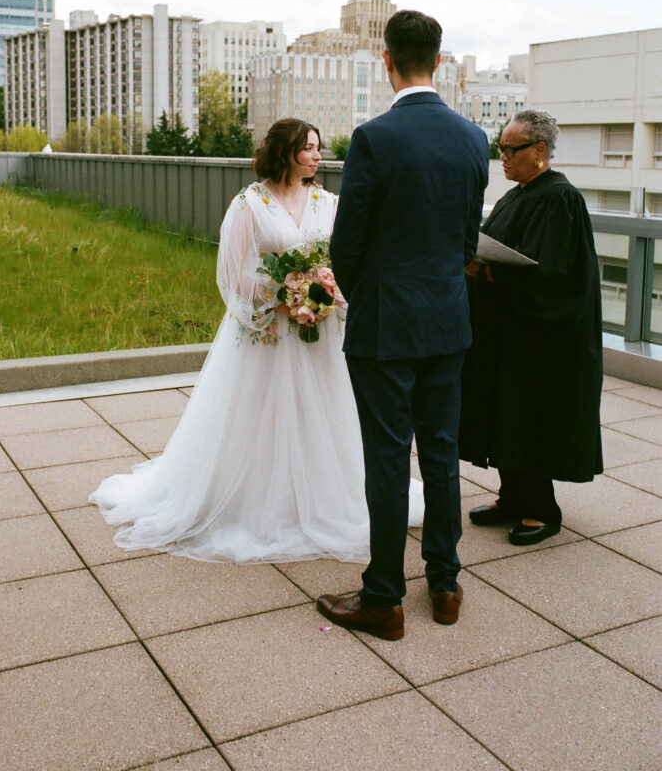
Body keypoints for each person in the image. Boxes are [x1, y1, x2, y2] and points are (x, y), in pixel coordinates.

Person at [89, 118, 424, 563]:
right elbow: (233, 274)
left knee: (321, 414)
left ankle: (327, 499)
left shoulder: (328, 203)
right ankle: (258, 505)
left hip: (319, 334)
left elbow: (347, 259)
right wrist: (281, 299)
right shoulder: (250, 204)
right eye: (309, 148)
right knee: (261, 416)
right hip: (268, 332)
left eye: (318, 148)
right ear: (287, 153)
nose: (318, 156)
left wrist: (325, 295)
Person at [316, 10, 489, 640]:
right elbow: (468, 238)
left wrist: (368, 299)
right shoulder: (474, 140)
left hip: (387, 325)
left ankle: (384, 598)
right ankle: (445, 583)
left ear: (386, 62)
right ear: (438, 62)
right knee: (442, 454)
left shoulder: (374, 137)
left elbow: (347, 245)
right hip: (448, 320)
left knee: (388, 461)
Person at [460, 110, 603, 545]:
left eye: (511, 149)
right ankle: (512, 497)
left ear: (540, 150)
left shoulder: (560, 199)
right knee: (504, 413)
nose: (502, 158)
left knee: (530, 416)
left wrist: (489, 274)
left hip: (543, 337)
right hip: (509, 329)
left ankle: (542, 508)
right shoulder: (517, 195)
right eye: (500, 149)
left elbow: (555, 274)